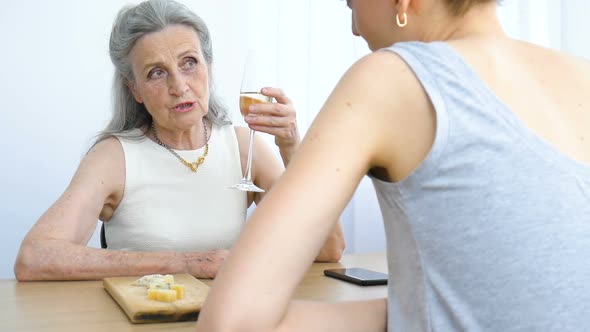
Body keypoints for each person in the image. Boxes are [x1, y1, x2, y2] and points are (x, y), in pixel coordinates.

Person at [196, 0, 590, 330]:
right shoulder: (581, 74)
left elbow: (233, 322)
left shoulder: (393, 76)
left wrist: (413, 311)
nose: (354, 28)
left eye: (353, 4)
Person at [14, 0, 345, 282]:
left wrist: (291, 148)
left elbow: (329, 248)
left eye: (189, 63)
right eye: (156, 72)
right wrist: (185, 263)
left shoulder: (243, 146)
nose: (179, 86)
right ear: (135, 90)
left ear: (209, 67)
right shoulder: (114, 157)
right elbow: (34, 257)